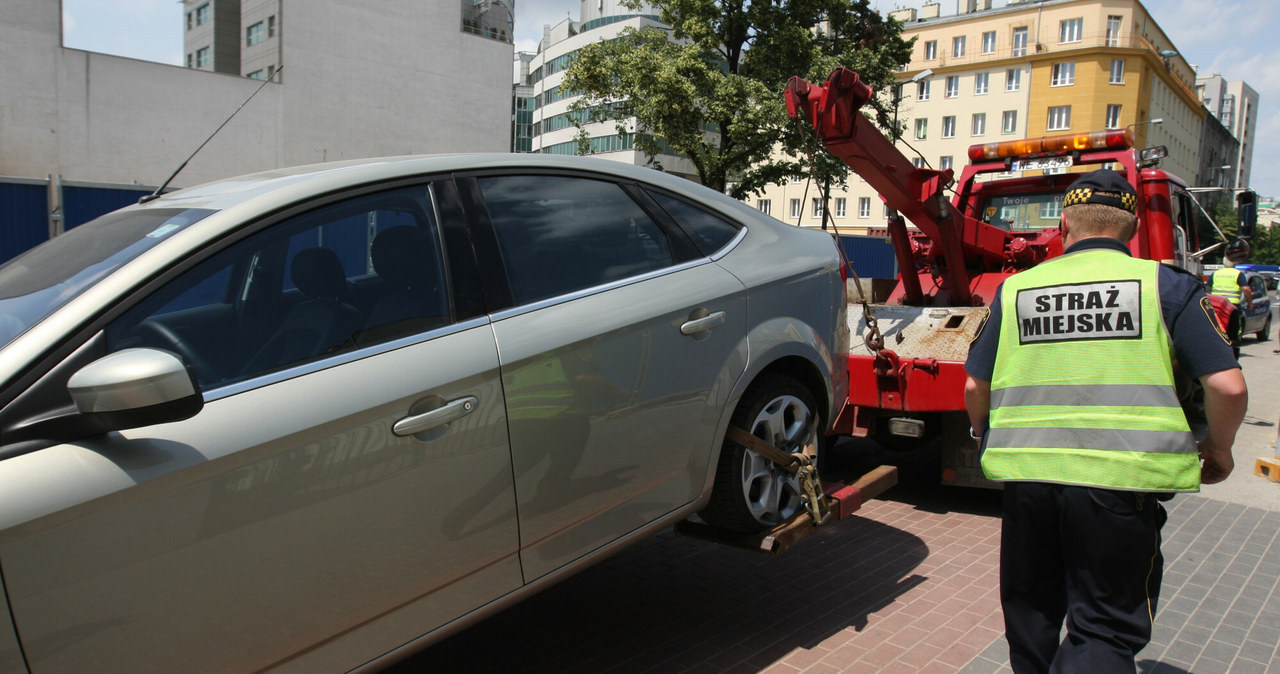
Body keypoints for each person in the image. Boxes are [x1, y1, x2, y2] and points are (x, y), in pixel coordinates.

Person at [963, 169, 1248, 674]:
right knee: (1103, 629)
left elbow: (974, 387)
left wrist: (984, 434)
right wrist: (1219, 449)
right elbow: (1227, 386)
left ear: (1065, 224)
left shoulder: (1017, 290)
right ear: (1131, 230)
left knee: (1031, 617)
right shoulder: (1166, 286)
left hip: (1029, 481)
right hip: (1119, 486)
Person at [1208, 239, 1254, 354]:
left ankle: (1215, 351)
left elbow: (1207, 290)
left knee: (1215, 329)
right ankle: (1233, 354)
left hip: (1215, 307)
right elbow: (1246, 289)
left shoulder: (1215, 274)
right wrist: (1249, 303)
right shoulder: (1238, 274)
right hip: (1232, 306)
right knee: (1233, 332)